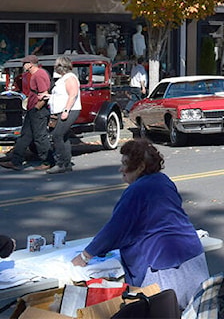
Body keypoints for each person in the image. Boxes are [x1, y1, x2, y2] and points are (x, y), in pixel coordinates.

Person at [71, 139, 209, 310]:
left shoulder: (136, 190)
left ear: (141, 167)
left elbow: (115, 230)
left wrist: (84, 256)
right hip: (194, 261)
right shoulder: (164, 181)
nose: (121, 169)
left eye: (125, 164)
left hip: (165, 269)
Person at [1, 55, 53, 171]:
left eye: (24, 63)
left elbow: (44, 94)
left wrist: (36, 108)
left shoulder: (39, 75)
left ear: (30, 64)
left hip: (38, 111)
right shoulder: (35, 75)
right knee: (25, 136)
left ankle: (48, 161)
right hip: (32, 110)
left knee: (40, 137)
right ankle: (16, 161)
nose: (23, 66)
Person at [42, 56, 82, 174]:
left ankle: (60, 163)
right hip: (60, 110)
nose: (55, 68)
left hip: (69, 110)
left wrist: (66, 110)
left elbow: (72, 94)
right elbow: (62, 95)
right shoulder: (63, 79)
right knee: (63, 136)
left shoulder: (70, 78)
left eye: (57, 66)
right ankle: (67, 163)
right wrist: (49, 97)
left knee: (57, 135)